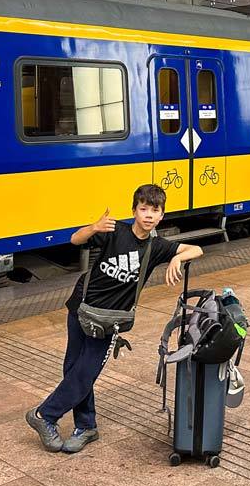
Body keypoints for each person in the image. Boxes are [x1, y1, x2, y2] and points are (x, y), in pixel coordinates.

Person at [26, 183, 203, 454]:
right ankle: (85, 425)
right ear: (134, 211)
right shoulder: (114, 231)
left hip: (108, 320)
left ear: (161, 216)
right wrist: (94, 228)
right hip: (81, 307)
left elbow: (197, 249)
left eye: (155, 211)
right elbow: (75, 239)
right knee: (74, 368)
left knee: (85, 371)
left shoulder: (157, 247)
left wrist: (177, 260)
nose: (148, 215)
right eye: (143, 209)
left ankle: (46, 416)